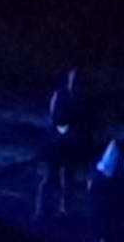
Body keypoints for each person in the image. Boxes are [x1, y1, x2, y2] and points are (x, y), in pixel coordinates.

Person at [36, 69, 92, 219]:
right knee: (49, 177)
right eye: (72, 80)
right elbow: (55, 117)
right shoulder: (60, 95)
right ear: (68, 80)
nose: (75, 83)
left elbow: (86, 121)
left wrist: (79, 134)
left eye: (77, 81)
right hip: (56, 142)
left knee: (68, 178)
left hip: (71, 145)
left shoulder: (82, 99)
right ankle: (41, 209)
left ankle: (65, 210)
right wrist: (66, 130)